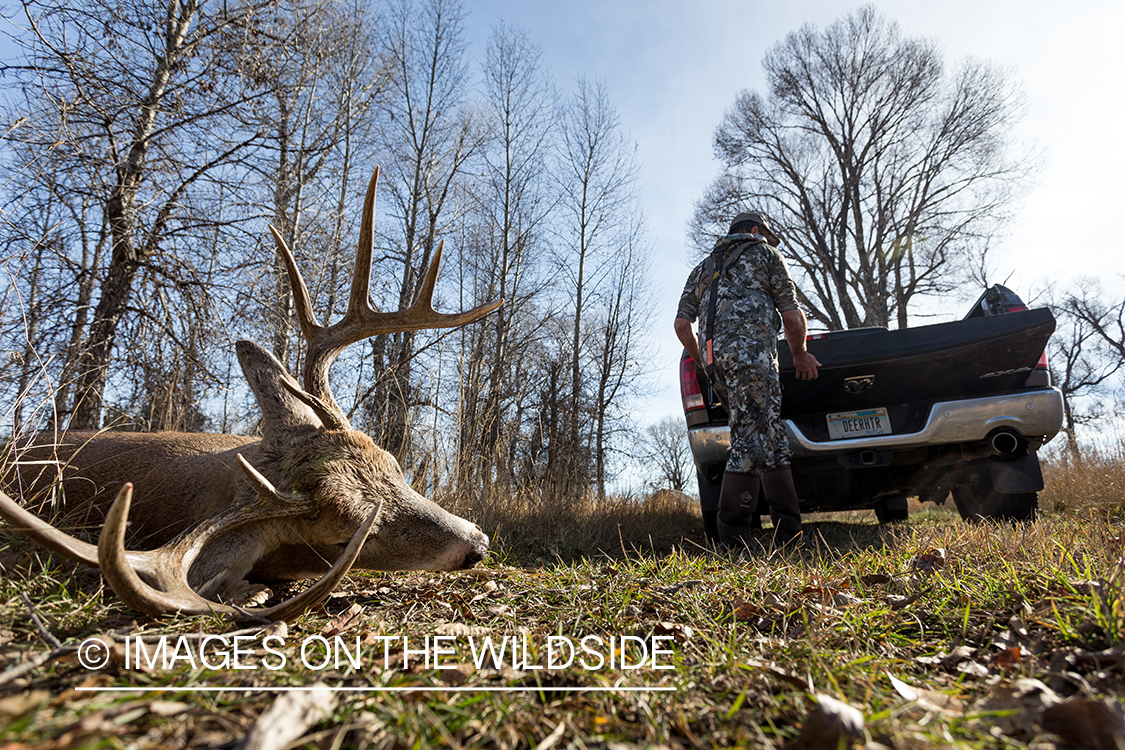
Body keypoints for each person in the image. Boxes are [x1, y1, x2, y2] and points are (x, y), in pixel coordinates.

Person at [674, 211, 820, 549]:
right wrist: (799, 354)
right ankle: (733, 539)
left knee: (772, 440)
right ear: (755, 231)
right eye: (766, 235)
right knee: (750, 442)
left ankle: (790, 534)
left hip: (718, 366)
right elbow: (792, 316)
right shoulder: (766, 254)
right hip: (753, 361)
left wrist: (702, 361)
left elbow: (682, 326)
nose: (769, 241)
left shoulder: (704, 268)